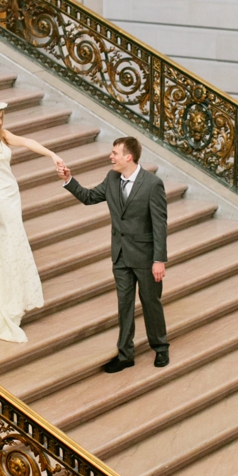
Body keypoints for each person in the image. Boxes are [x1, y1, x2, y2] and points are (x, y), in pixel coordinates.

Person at [57, 136, 169, 373]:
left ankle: (160, 347)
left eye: (115, 153)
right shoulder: (111, 178)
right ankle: (125, 354)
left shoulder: (152, 184)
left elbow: (160, 225)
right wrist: (68, 180)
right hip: (120, 256)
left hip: (146, 258)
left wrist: (159, 260)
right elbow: (89, 197)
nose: (111, 157)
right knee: (124, 305)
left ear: (128, 157)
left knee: (151, 303)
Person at [0, 99, 64, 344]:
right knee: (13, 238)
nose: (0, 122)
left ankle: (6, 292)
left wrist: (51, 154)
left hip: (13, 192)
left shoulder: (1, 135)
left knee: (7, 240)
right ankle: (9, 300)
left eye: (2, 117)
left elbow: (27, 142)